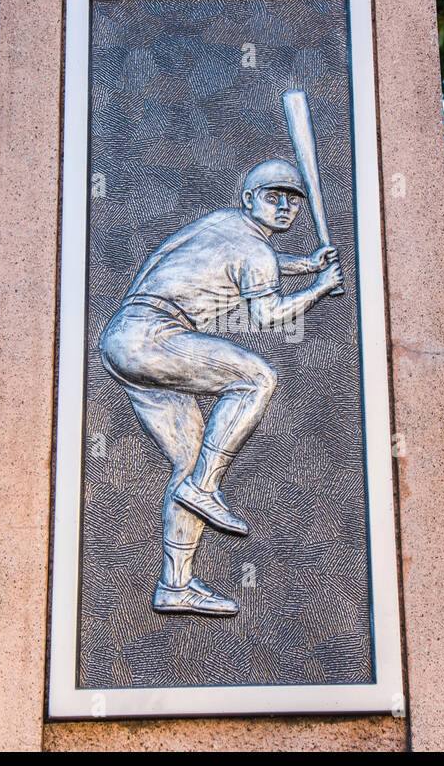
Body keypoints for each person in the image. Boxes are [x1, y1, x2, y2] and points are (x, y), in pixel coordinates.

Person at [99, 159, 343, 615]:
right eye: (274, 197)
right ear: (249, 198)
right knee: (257, 378)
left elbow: (235, 263)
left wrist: (305, 265)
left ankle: (175, 584)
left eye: (293, 200)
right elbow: (267, 315)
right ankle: (206, 487)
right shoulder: (256, 252)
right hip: (156, 335)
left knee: (187, 461)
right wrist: (320, 287)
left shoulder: (223, 223)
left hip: (122, 336)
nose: (286, 207)